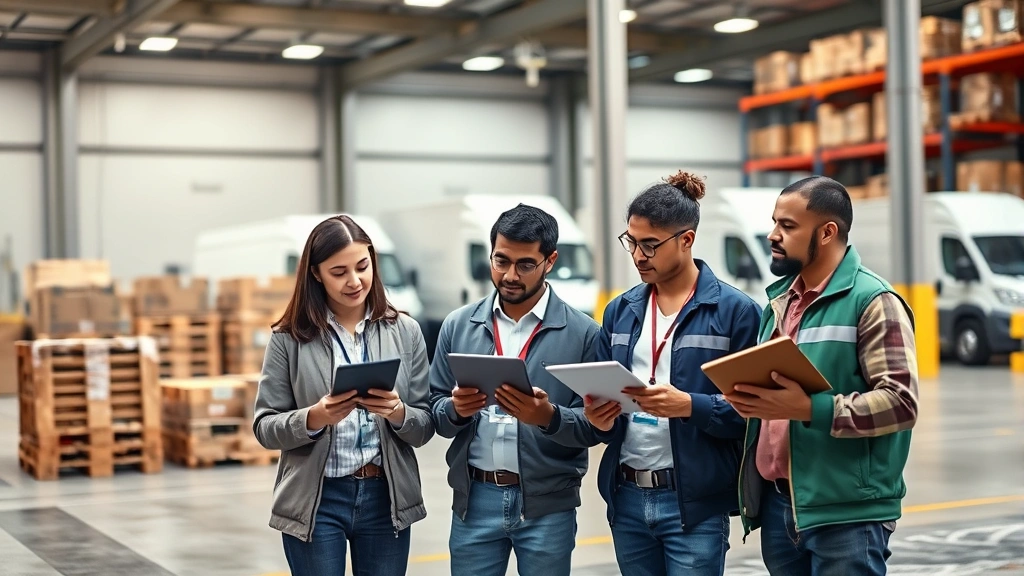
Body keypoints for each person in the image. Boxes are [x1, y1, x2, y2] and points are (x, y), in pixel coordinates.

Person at [725, 176, 919, 576]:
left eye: (788, 226)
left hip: (846, 512)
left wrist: (810, 408)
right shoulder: (780, 302)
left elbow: (901, 403)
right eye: (775, 222)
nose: (773, 235)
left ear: (828, 232)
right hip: (782, 504)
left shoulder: (873, 301)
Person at [584, 171, 763, 576]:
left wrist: (691, 407)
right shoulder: (620, 311)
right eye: (631, 242)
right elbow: (599, 403)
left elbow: (758, 412)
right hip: (626, 496)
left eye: (650, 245)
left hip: (692, 503)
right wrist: (597, 420)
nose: (637, 256)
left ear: (687, 240)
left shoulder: (735, 313)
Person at [253, 215, 435, 576]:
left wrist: (399, 412)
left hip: (386, 499)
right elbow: (264, 426)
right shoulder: (288, 338)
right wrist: (314, 418)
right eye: (339, 272)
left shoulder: (407, 331)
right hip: (317, 499)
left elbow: (425, 424)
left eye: (362, 267)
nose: (354, 281)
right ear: (316, 274)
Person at [429, 203, 604, 576]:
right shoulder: (459, 326)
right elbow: (435, 413)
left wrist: (549, 417)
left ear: (550, 261)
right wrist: (456, 410)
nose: (510, 275)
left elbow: (595, 426)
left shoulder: (583, 334)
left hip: (547, 507)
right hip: (474, 501)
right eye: (500, 260)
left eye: (525, 264)